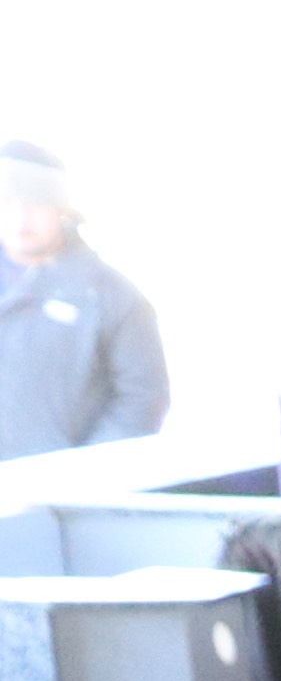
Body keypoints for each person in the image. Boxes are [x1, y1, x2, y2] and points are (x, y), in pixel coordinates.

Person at [1, 139, 170, 461]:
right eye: (7, 202)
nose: (20, 220)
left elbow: (144, 398)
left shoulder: (112, 297)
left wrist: (84, 472)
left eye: (35, 205)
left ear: (62, 210)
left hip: (60, 500)